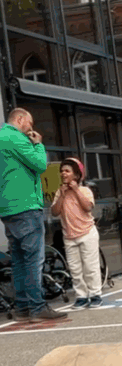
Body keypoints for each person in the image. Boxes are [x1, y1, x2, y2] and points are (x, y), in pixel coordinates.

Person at [0, 107, 67, 321]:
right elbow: (39, 165)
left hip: (7, 208)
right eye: (29, 123)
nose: (31, 128)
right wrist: (38, 144)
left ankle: (22, 308)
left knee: (18, 259)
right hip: (26, 205)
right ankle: (38, 307)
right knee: (33, 259)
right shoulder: (15, 138)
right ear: (19, 120)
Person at [51, 158, 102, 307]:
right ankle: (81, 296)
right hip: (69, 236)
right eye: (62, 171)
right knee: (75, 269)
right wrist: (61, 195)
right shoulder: (59, 192)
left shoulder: (85, 190)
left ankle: (95, 295)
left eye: (67, 171)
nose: (63, 174)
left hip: (87, 233)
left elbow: (87, 207)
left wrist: (76, 190)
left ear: (76, 175)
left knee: (90, 267)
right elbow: (55, 212)